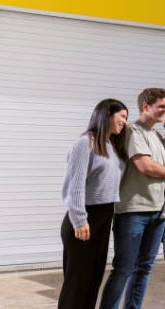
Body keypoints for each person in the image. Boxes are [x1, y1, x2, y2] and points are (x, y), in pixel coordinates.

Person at [100, 88, 165, 309]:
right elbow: (144, 165)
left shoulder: (157, 136)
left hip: (157, 211)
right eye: (161, 106)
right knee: (124, 269)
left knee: (144, 267)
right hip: (133, 211)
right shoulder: (132, 130)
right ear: (146, 106)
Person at [58, 99, 129, 309]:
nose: (125, 121)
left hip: (105, 216)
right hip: (85, 217)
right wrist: (80, 220)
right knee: (77, 282)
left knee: (93, 280)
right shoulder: (85, 143)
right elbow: (75, 185)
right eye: (122, 116)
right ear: (107, 114)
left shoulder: (110, 146)